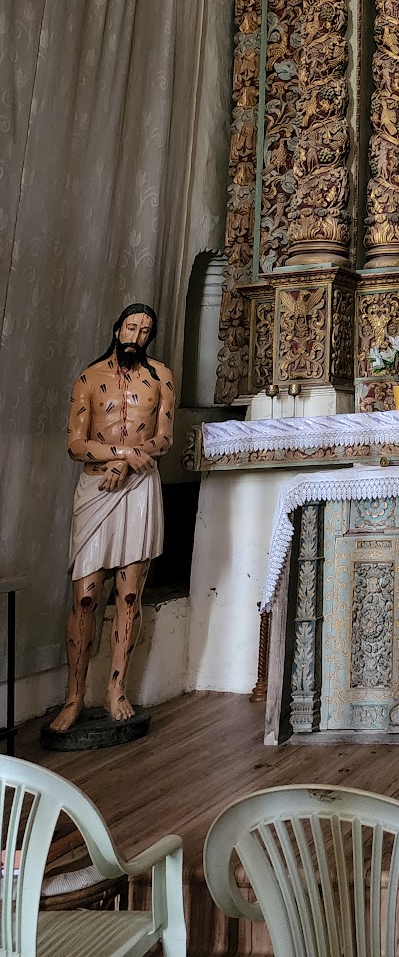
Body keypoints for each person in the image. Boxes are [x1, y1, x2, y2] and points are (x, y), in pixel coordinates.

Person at [48, 304, 175, 732]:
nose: (136, 336)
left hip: (139, 488)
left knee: (128, 596)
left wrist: (134, 461)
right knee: (85, 596)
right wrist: (123, 455)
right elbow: (74, 444)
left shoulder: (160, 376)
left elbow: (163, 436)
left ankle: (116, 690)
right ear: (116, 327)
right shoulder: (89, 378)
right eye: (130, 327)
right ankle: (73, 697)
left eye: (144, 331)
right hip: (97, 487)